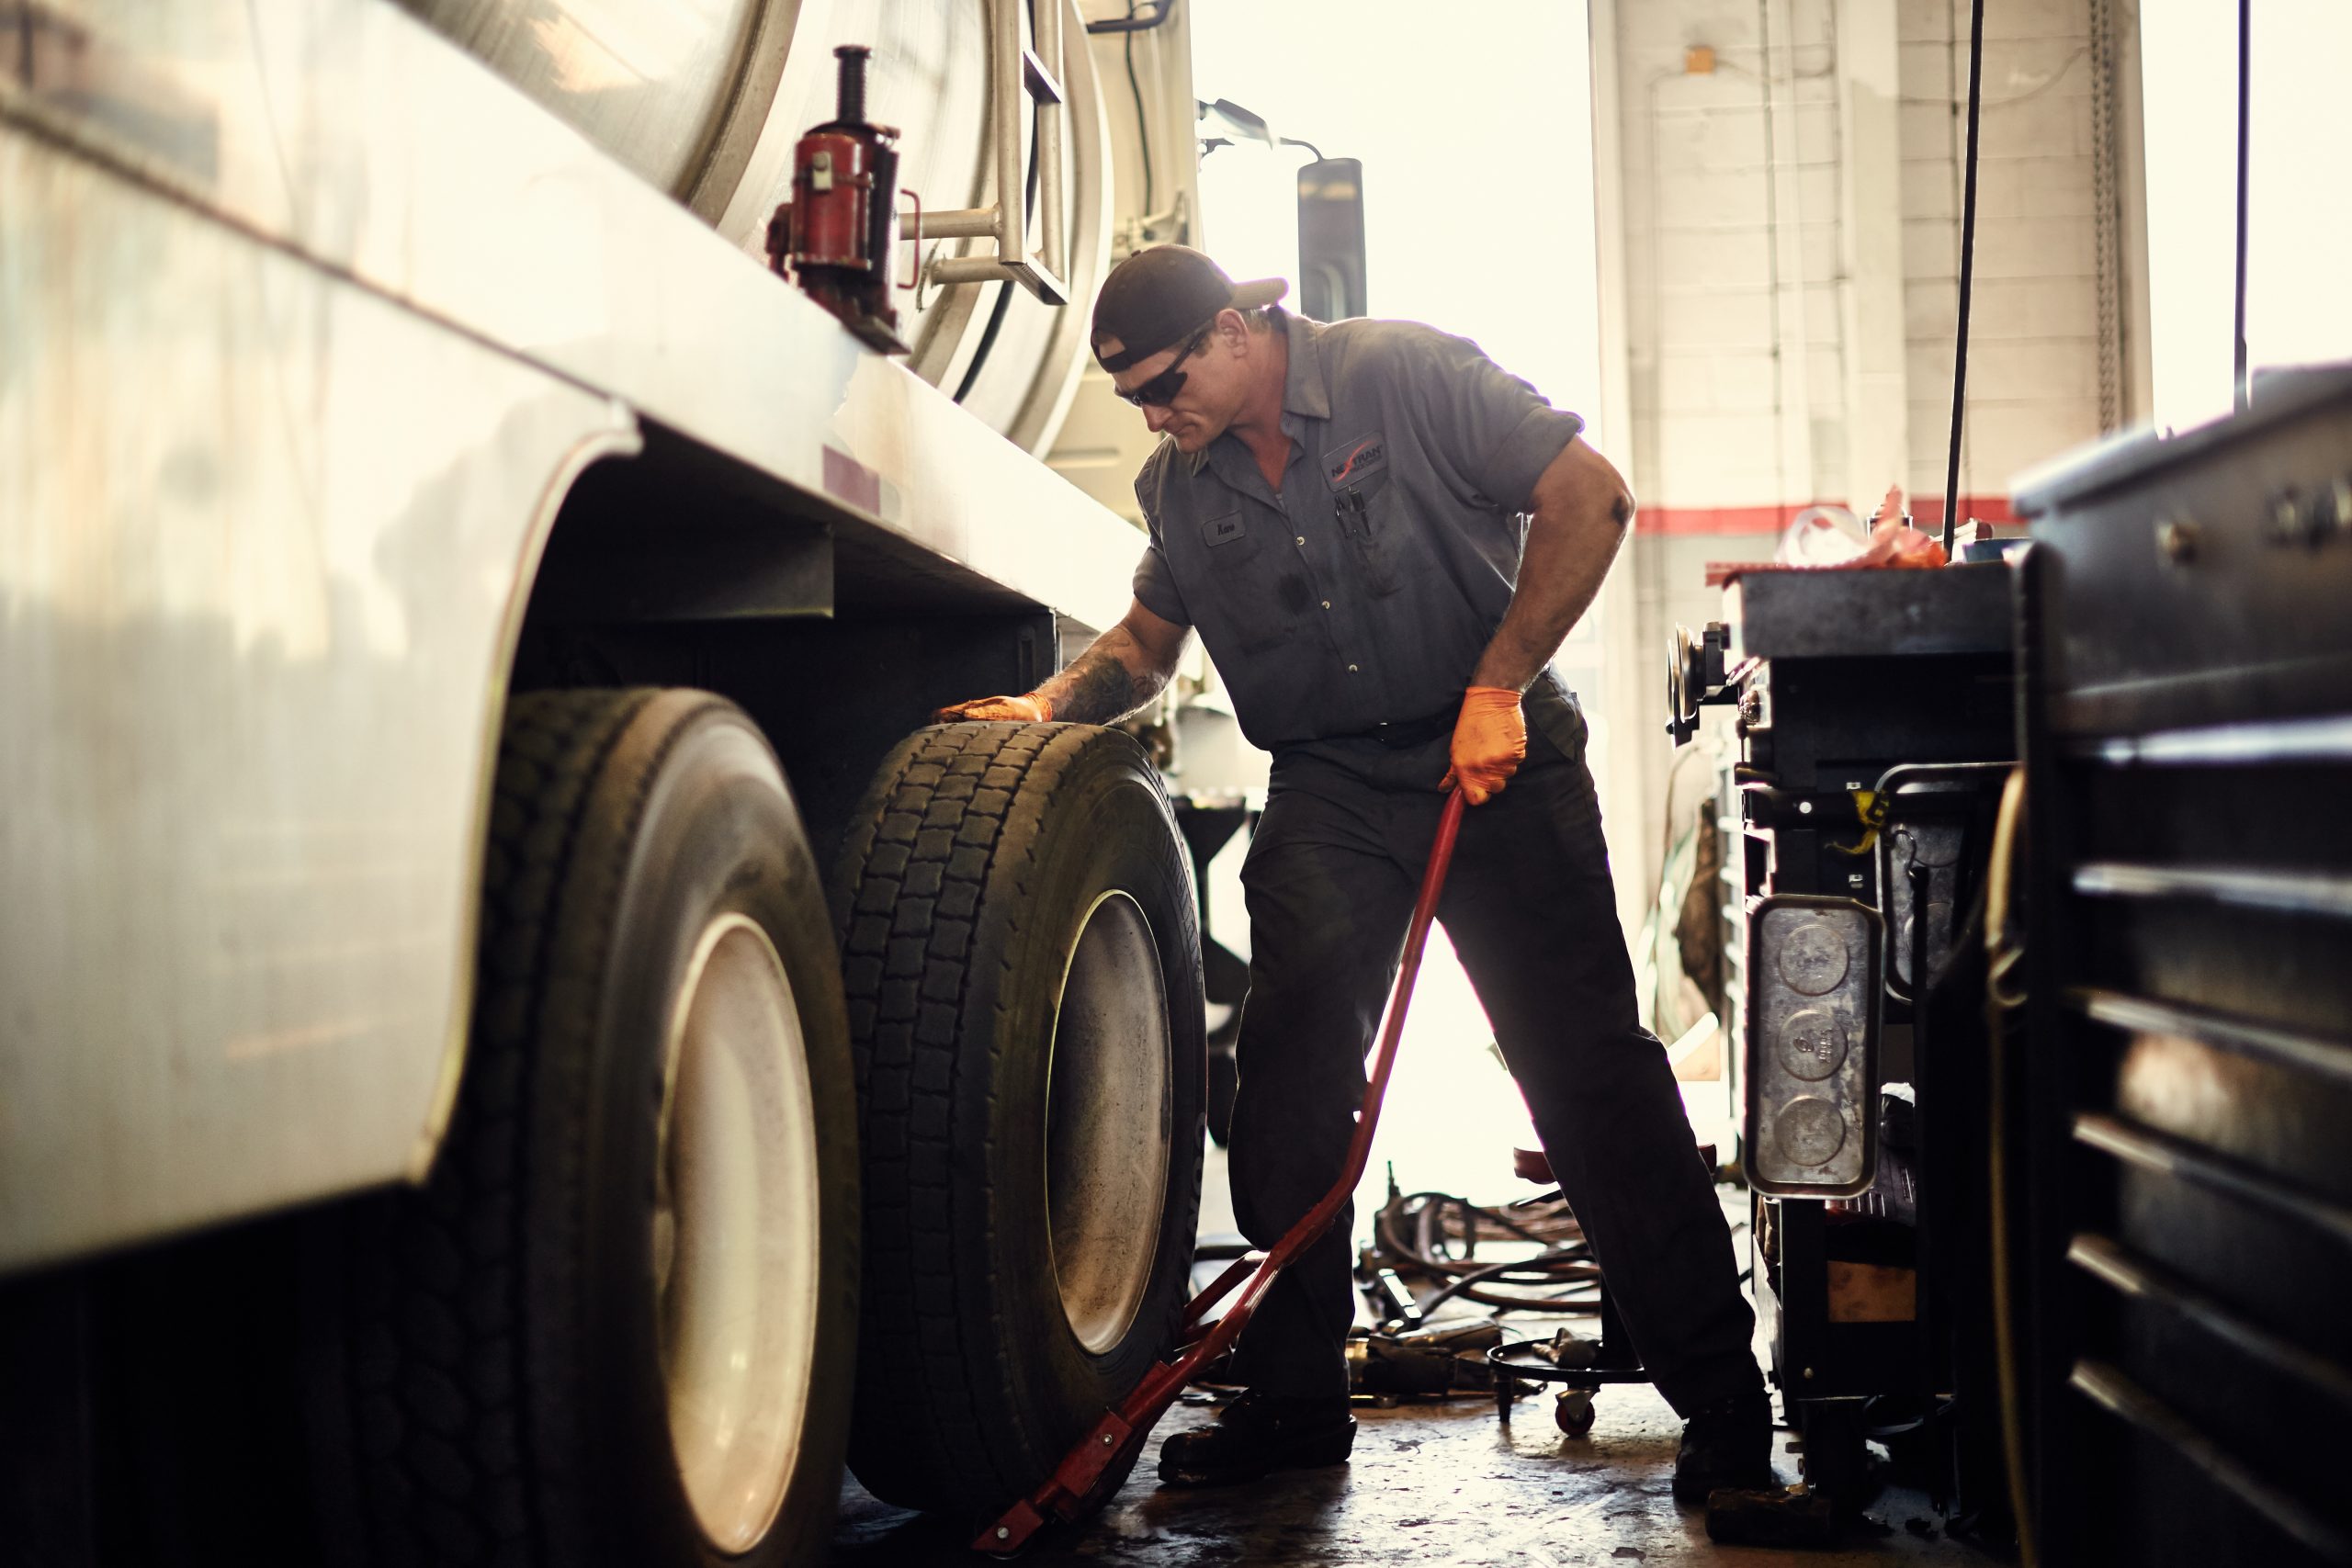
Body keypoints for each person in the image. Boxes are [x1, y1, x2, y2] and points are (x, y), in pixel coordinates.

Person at [937, 245, 1771, 1503]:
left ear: (1232, 332)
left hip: (1493, 760)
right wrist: (1051, 704)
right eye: (1138, 405)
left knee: (1590, 1076)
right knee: (1283, 1087)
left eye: (1167, 385)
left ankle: (1725, 1408)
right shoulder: (1183, 483)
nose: (1157, 419)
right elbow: (1150, 640)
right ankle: (1293, 1406)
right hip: (1329, 787)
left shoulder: (1404, 373)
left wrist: (1498, 685)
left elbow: (1590, 497)